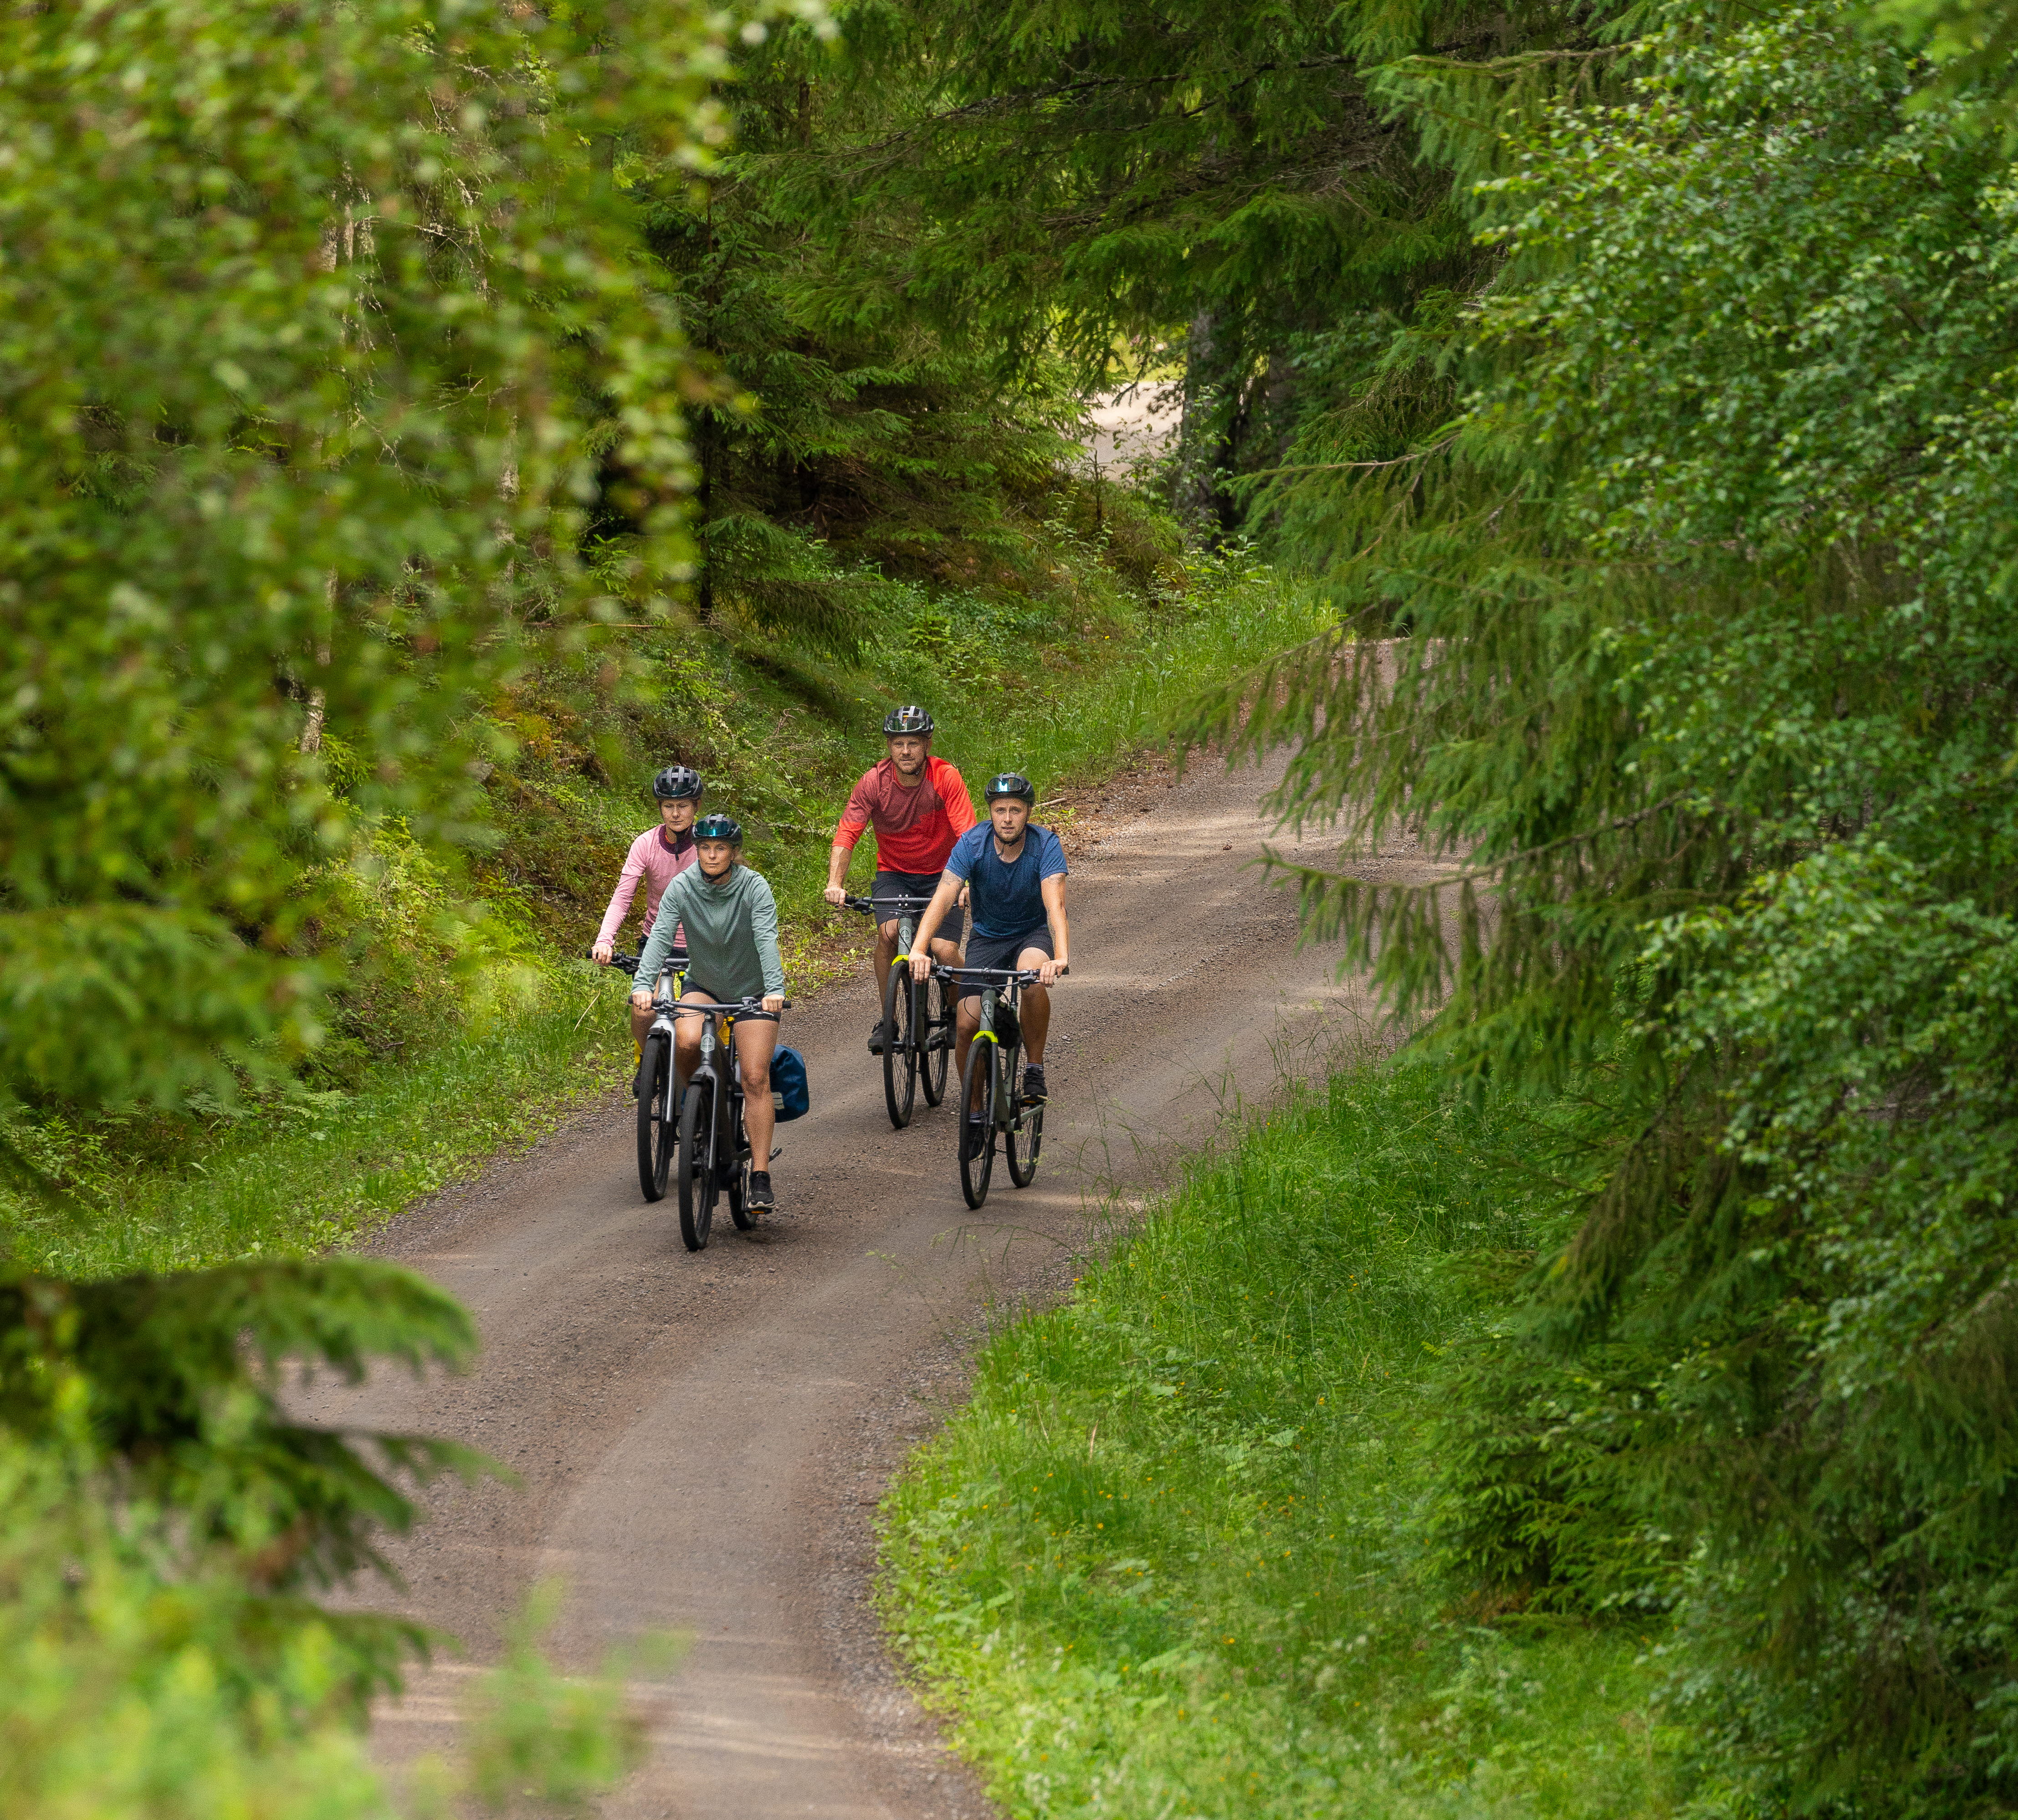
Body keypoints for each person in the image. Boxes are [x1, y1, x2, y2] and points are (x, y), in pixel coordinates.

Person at [632, 813, 788, 1213]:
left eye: (721, 848)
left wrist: (774, 990)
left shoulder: (754, 886)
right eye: (705, 847)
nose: (712, 855)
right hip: (704, 985)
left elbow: (766, 939)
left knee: (755, 1077)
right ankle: (705, 1109)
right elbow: (660, 937)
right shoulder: (682, 887)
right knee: (686, 1043)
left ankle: (760, 1175)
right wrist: (642, 985)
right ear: (697, 850)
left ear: (734, 852)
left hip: (753, 992)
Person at [909, 772, 1068, 1147]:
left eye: (1016, 810)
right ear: (991, 813)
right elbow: (944, 896)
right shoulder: (972, 843)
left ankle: (1034, 1069)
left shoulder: (1046, 844)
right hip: (986, 940)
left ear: (1028, 812)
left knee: (1031, 976)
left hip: (1030, 934)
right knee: (966, 1025)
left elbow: (1055, 905)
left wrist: (1060, 956)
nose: (1008, 818)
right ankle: (975, 1113)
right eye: (1000, 810)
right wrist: (918, 948)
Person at [823, 705, 976, 1053]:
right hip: (895, 874)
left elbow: (968, 835)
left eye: (913, 743)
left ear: (927, 745)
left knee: (944, 950)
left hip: (945, 875)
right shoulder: (874, 782)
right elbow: (847, 833)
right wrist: (835, 883)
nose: (905, 751)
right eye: (898, 743)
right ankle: (888, 1018)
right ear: (889, 746)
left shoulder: (945, 777)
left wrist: (968, 882)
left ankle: (956, 1010)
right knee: (888, 934)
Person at [593, 765, 704, 1058]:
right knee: (643, 1012)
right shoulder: (645, 844)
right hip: (657, 941)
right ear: (660, 808)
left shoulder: (709, 845)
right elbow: (623, 896)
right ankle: (648, 1062)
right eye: (668, 806)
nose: (675, 814)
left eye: (683, 806)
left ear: (697, 807)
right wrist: (605, 940)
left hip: (703, 944)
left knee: (699, 1023)